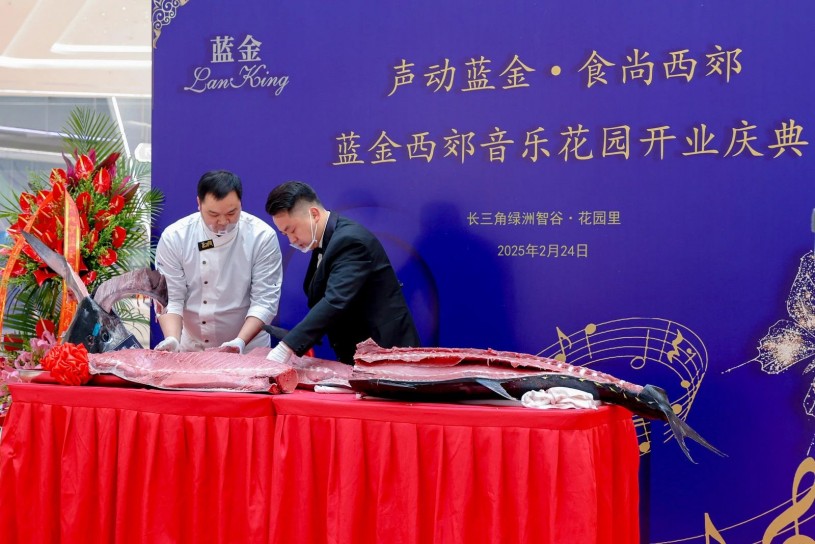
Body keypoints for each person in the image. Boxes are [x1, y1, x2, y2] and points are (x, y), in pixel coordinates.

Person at [264, 181, 419, 365]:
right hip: (358, 353)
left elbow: (335, 300)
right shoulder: (324, 241)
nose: (292, 240)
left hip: (386, 353)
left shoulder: (350, 241)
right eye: (285, 234)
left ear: (314, 214)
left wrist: (287, 346)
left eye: (292, 230)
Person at [154, 170, 283, 354]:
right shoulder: (175, 237)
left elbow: (265, 301)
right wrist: (172, 338)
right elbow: (170, 298)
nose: (223, 221)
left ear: (241, 203)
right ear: (199, 203)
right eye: (213, 214)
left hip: (248, 347)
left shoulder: (261, 237)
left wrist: (239, 342)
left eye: (232, 212)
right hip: (192, 348)